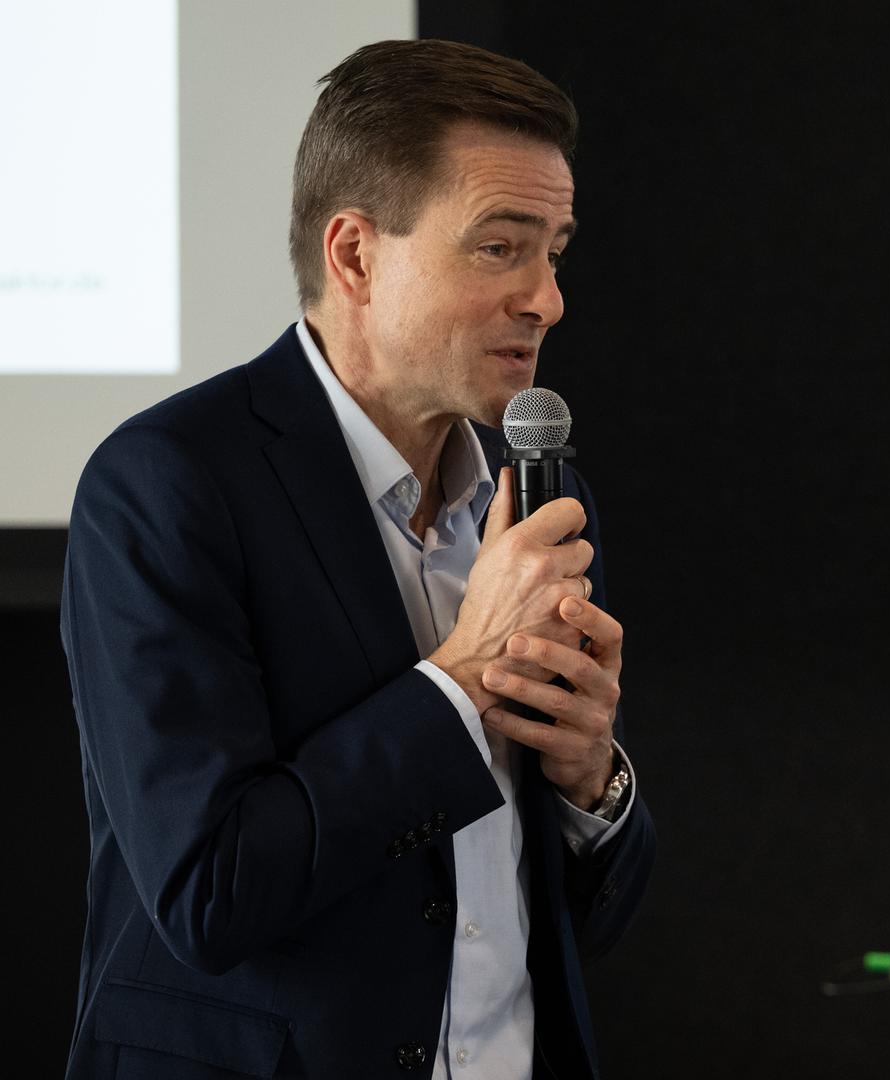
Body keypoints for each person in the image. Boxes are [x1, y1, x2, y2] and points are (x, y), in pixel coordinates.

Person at [61, 40, 653, 1078]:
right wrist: (464, 682)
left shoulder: (539, 501)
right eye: (500, 247)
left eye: (555, 250)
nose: (547, 298)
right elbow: (209, 892)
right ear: (355, 255)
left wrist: (588, 780)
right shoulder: (168, 485)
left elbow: (566, 929)